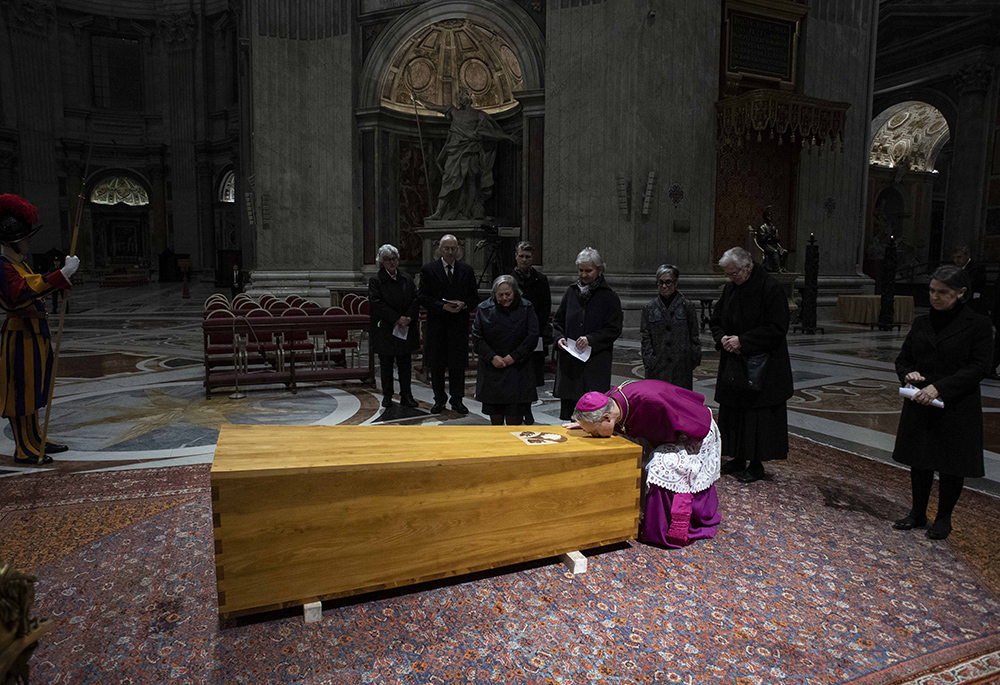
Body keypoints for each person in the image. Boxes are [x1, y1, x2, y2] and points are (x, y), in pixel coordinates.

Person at [891, 265, 992, 540]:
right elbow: (903, 358)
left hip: (956, 402)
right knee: (920, 459)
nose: (935, 297)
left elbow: (979, 367)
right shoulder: (922, 322)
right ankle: (917, 512)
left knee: (950, 464)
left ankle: (944, 518)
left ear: (961, 293)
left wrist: (940, 388)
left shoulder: (978, 324)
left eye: (943, 292)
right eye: (932, 291)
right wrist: (907, 374)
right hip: (921, 400)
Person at [568, 380, 721, 548]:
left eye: (594, 431)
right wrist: (585, 423)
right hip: (664, 434)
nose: (594, 435)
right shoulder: (610, 405)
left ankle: (661, 528)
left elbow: (688, 425)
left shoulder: (650, 401)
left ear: (607, 418)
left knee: (662, 465)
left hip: (692, 432)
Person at [0, 194, 79, 464]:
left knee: (34, 389)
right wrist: (60, 275)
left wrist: (61, 279)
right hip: (19, 336)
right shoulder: (3, 266)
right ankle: (24, 447)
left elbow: (33, 283)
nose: (29, 241)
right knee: (21, 391)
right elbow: (18, 293)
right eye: (25, 237)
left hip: (33, 334)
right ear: (12, 240)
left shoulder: (18, 264)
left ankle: (36, 439)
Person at [709, 246, 793, 484]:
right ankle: (736, 457)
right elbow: (716, 321)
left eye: (733, 273)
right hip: (734, 363)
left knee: (756, 416)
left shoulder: (770, 289)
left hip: (762, 365)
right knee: (733, 412)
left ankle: (756, 464)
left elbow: (777, 328)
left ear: (747, 267)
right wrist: (722, 338)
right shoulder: (730, 289)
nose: (730, 278)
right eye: (727, 274)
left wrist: (743, 341)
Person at [413, 87, 517, 220]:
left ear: (469, 97)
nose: (459, 98)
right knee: (448, 180)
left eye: (461, 95)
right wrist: (418, 100)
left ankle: (469, 210)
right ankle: (439, 212)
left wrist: (508, 137)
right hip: (455, 152)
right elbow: (433, 106)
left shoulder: (479, 115)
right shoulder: (453, 111)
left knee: (471, 181)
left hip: (471, 151)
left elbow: (490, 133)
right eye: (458, 95)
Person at [553, 247, 623, 420]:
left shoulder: (609, 297)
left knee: (593, 415)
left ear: (600, 270)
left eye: (588, 271)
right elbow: (557, 322)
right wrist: (559, 338)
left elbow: (613, 329)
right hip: (570, 365)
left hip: (595, 365)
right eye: (580, 270)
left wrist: (591, 339)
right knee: (571, 415)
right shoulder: (571, 292)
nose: (583, 275)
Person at [418, 234, 479, 414]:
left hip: (458, 325)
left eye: (453, 248)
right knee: (437, 366)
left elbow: (474, 297)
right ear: (439, 249)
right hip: (437, 324)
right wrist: (443, 306)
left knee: (457, 365)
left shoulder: (466, 270)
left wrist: (464, 304)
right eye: (447, 248)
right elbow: (422, 297)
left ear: (458, 249)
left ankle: (457, 400)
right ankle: (439, 400)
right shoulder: (428, 270)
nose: (451, 252)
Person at [472, 275, 539, 426]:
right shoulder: (484, 308)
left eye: (508, 294)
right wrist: (492, 357)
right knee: (495, 422)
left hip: (518, 370)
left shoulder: (526, 307)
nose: (504, 298)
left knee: (514, 420)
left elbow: (532, 336)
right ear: (494, 294)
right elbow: (477, 338)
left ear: (515, 292)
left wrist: (514, 356)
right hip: (492, 370)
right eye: (500, 295)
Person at [368, 244, 420, 408]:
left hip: (405, 327)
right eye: (388, 259)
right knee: (386, 365)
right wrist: (396, 318)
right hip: (386, 328)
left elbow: (415, 299)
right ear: (382, 262)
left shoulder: (406, 278)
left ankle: (406, 395)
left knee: (405, 364)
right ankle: (387, 395)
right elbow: (377, 303)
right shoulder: (376, 280)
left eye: (394, 259)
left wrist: (408, 318)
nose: (392, 262)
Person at [639, 264, 701, 390]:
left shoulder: (686, 306)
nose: (664, 286)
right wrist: (649, 360)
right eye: (660, 282)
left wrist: (693, 359)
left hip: (681, 366)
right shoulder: (649, 307)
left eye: (668, 282)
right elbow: (645, 336)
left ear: (675, 283)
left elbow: (694, 335)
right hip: (657, 365)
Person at [511, 240, 551, 424]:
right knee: (516, 373)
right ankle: (516, 408)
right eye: (522, 256)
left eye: (528, 257)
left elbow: (545, 307)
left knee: (532, 375)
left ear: (532, 258)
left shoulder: (541, 279)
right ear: (516, 256)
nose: (525, 260)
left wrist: (536, 329)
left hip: (535, 333)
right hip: (514, 333)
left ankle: (528, 408)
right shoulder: (509, 279)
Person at [951, 246, 986, 313]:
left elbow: (972, 284)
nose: (956, 260)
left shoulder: (977, 268)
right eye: (954, 258)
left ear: (967, 255)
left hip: (972, 300)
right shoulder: (954, 268)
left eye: (959, 257)